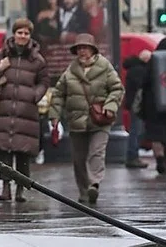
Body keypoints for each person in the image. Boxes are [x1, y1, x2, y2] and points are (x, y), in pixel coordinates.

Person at [49, 34, 124, 204]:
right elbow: (59, 94)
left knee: (96, 152)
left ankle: (94, 184)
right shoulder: (70, 71)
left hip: (100, 119)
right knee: (78, 158)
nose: (82, 51)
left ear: (93, 49)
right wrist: (54, 116)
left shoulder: (105, 66)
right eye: (79, 48)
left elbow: (117, 89)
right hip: (76, 121)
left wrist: (110, 106)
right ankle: (84, 191)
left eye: (85, 47)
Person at [0, 18, 50, 202]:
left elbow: (44, 81)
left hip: (26, 112)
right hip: (4, 108)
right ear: (14, 34)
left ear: (30, 36)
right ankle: (5, 188)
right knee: (4, 151)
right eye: (20, 32)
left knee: (23, 152)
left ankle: (20, 189)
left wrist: (35, 95)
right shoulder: (1, 55)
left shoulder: (37, 60)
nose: (23, 36)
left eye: (26, 33)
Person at [139, 37, 166, 175]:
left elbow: (144, 81)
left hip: (152, 105)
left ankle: (159, 157)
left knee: (155, 136)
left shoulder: (152, 62)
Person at [122, 49, 151, 169]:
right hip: (137, 105)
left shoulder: (133, 69)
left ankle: (133, 156)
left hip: (133, 104)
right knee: (136, 131)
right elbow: (142, 87)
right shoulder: (140, 70)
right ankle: (132, 157)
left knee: (136, 130)